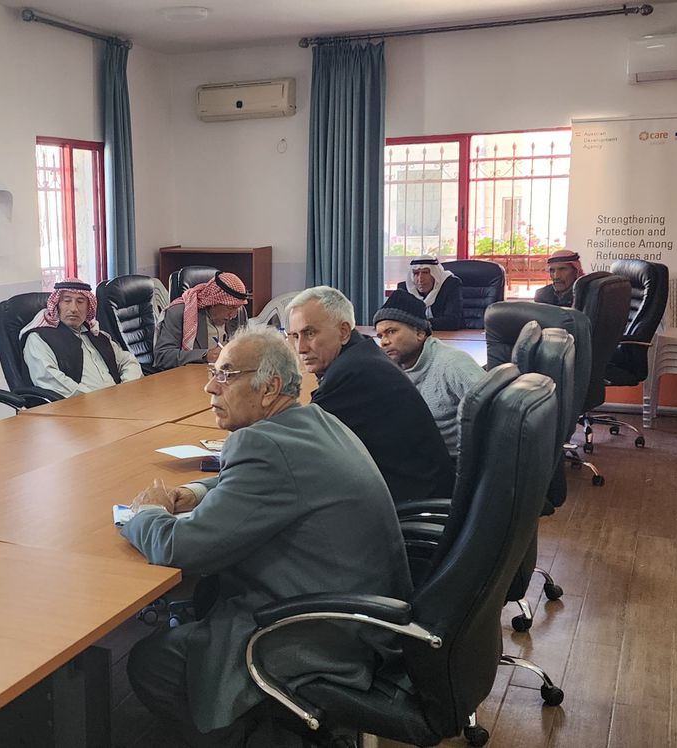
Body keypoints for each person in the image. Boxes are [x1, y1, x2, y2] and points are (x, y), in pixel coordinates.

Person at [121, 326, 411, 747]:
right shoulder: (314, 420)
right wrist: (197, 492)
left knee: (151, 661)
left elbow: (181, 548)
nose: (209, 387)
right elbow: (272, 481)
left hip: (321, 634)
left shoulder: (262, 447)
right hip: (369, 617)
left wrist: (144, 513)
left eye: (225, 375)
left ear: (270, 387)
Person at [286, 286, 454, 502]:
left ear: (344, 332)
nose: (300, 348)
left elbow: (297, 449)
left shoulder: (352, 376)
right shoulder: (363, 355)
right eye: (294, 336)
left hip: (413, 506)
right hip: (418, 493)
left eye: (310, 333)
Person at [375, 290, 485, 458]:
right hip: (414, 455)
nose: (384, 341)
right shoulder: (390, 369)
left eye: (392, 331)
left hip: (451, 463)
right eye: (380, 335)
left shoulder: (452, 364)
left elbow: (495, 412)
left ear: (419, 333)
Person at [22, 279, 143, 397]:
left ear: (88, 307)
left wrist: (125, 389)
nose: (73, 309)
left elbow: (128, 361)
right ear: (57, 305)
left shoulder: (98, 336)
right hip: (79, 405)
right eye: (67, 301)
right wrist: (95, 399)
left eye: (80, 302)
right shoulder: (39, 339)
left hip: (118, 401)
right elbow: (50, 379)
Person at [153, 271, 251, 369]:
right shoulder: (179, 313)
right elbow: (163, 357)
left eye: (237, 308)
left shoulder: (239, 312)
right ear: (214, 302)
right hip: (192, 374)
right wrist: (205, 355)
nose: (233, 315)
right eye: (230, 308)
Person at [394, 256, 464, 330]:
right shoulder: (404, 288)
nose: (420, 279)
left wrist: (416, 323)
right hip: (416, 335)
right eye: (416, 273)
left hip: (451, 335)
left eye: (425, 273)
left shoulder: (450, 285)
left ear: (435, 274)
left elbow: (452, 322)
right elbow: (396, 319)